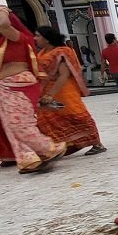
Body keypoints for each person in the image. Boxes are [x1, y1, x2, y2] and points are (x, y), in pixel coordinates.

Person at [0, 7, 65, 174]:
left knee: (19, 123)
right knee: (10, 125)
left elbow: (3, 24)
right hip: (0, 88)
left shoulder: (15, 37)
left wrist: (2, 10)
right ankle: (27, 158)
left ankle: (50, 148)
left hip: (18, 84)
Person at [34, 26, 106, 156]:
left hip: (64, 90)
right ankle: (63, 145)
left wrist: (51, 95)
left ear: (47, 39)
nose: (35, 38)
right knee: (50, 119)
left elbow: (64, 75)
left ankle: (97, 143)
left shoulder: (61, 52)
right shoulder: (42, 53)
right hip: (47, 90)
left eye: (38, 36)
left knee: (77, 115)